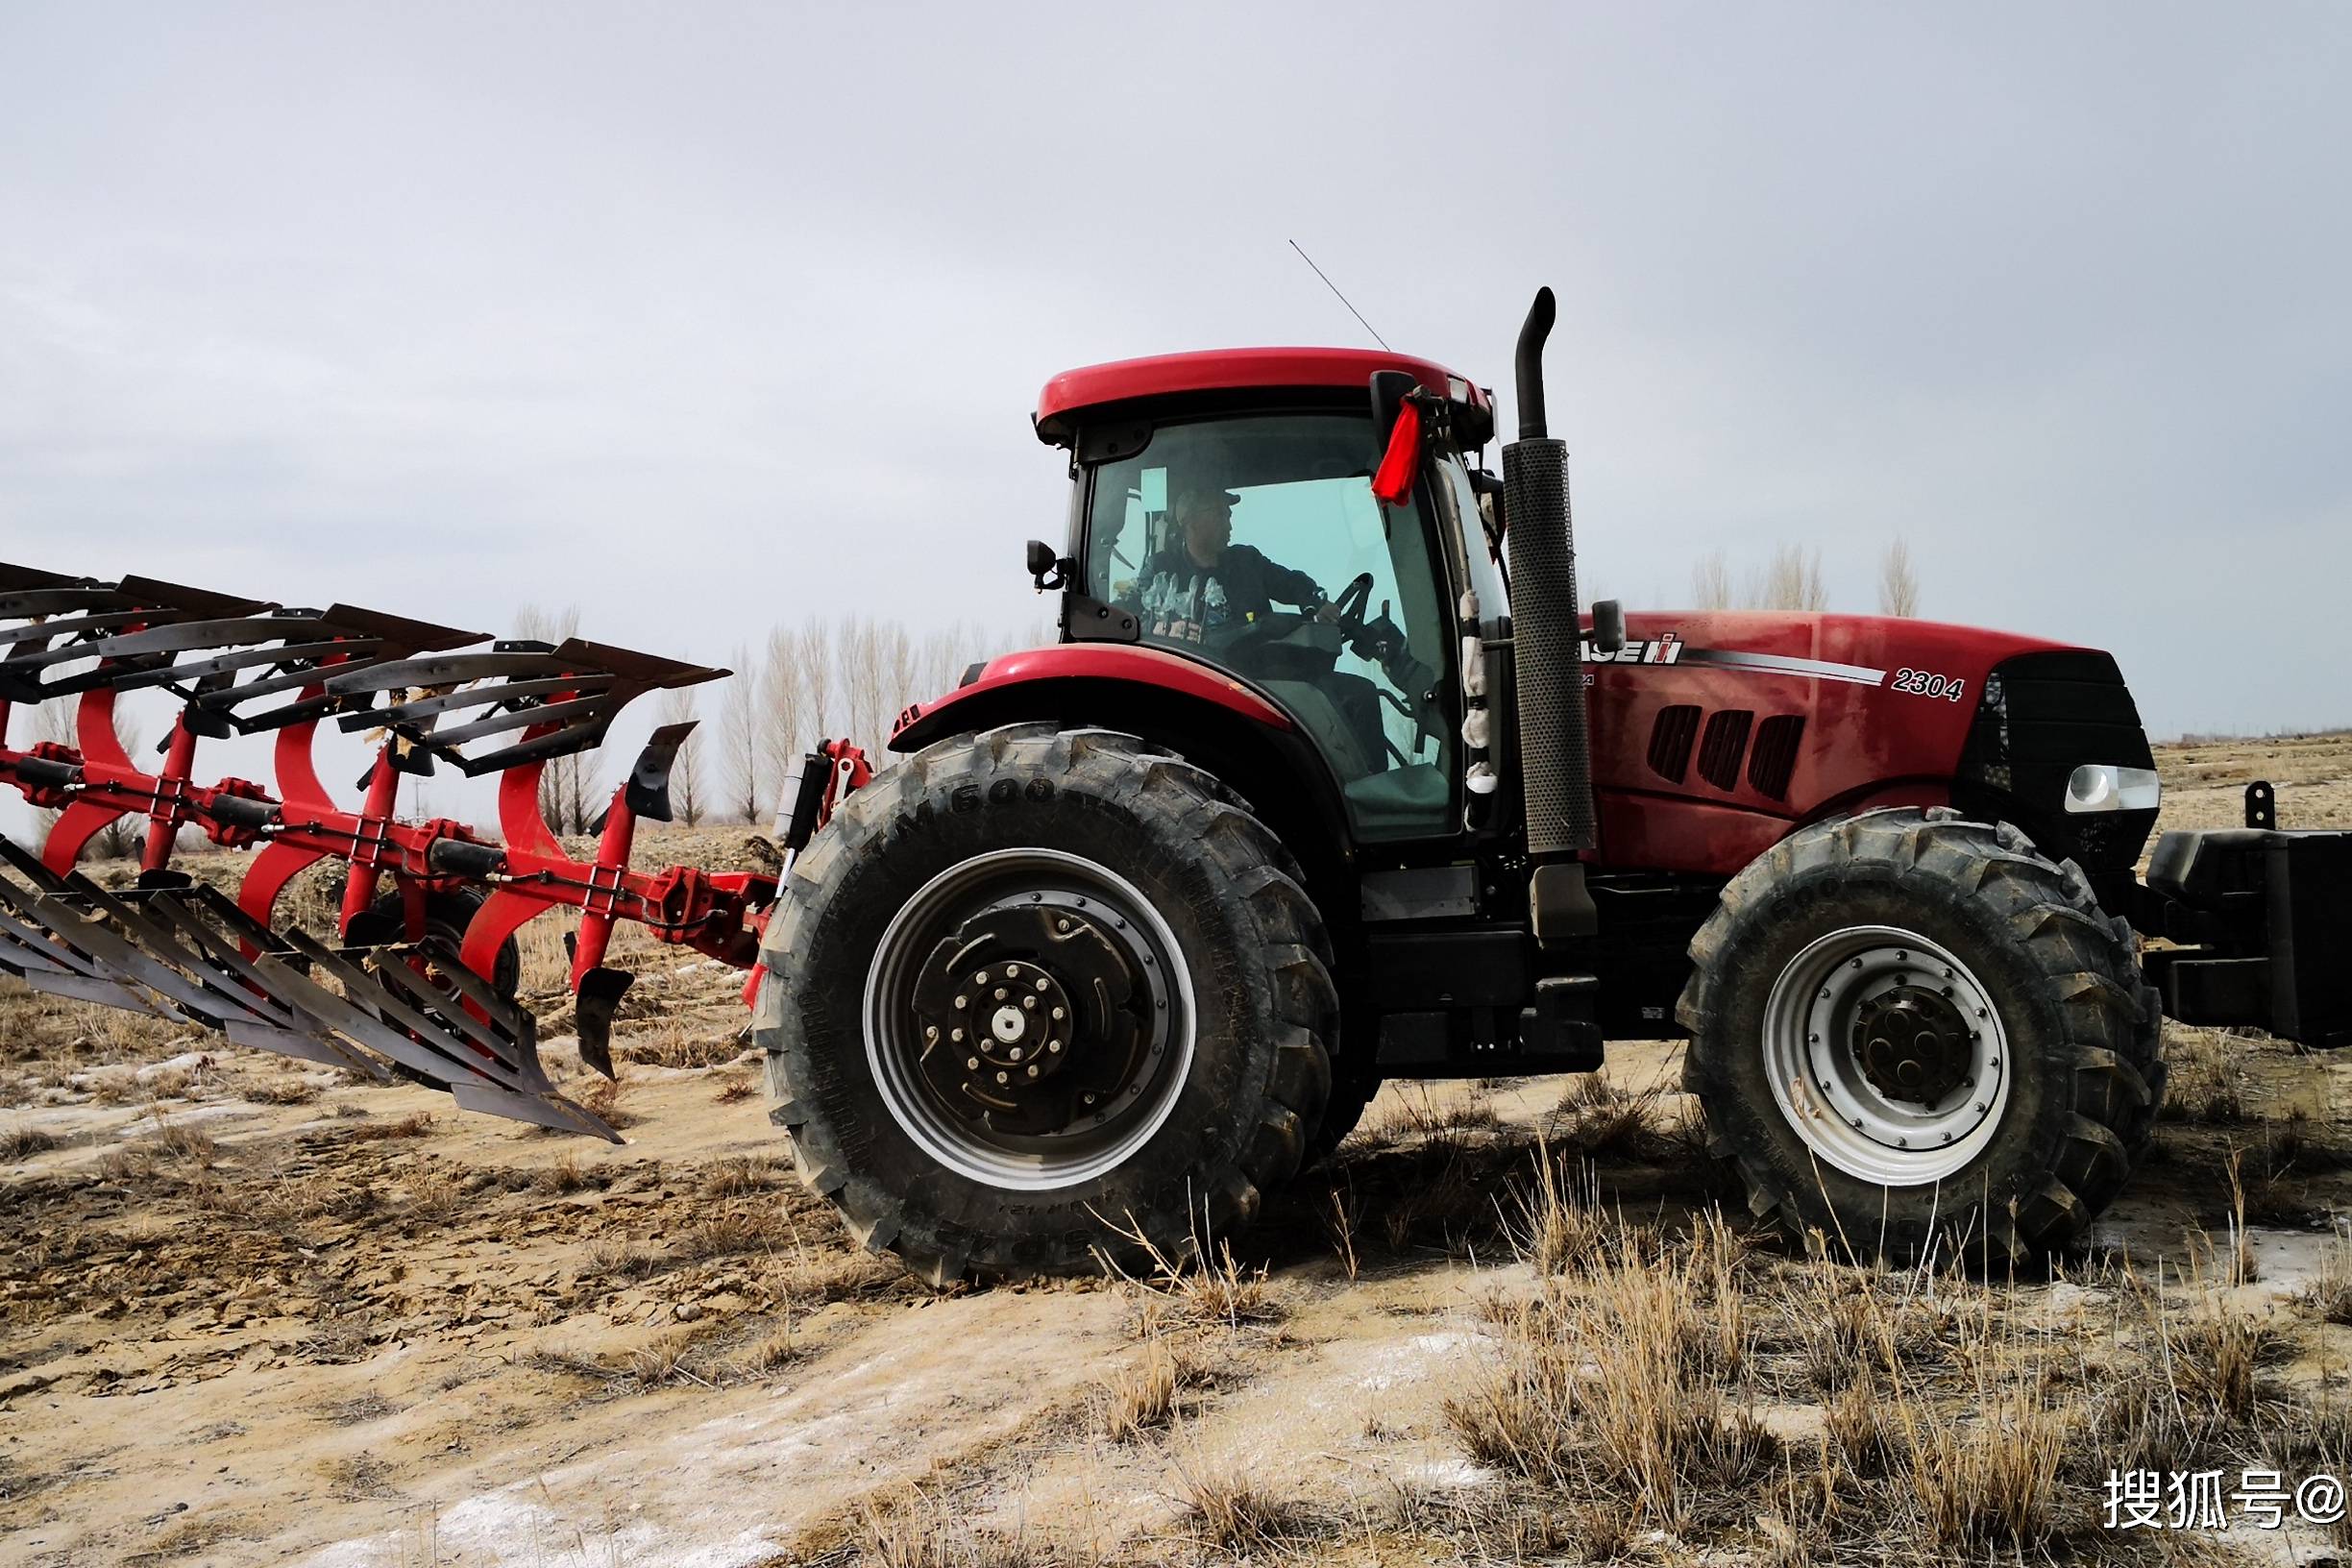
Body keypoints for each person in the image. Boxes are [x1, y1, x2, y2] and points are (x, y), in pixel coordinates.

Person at [1126, 483, 1337, 646]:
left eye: (1229, 516)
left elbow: (1291, 584)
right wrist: (1162, 628)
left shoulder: (1247, 561)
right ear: (1189, 521)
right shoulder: (1160, 571)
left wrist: (1316, 602)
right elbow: (1129, 618)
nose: (1229, 526)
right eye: (1220, 515)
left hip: (1260, 680)